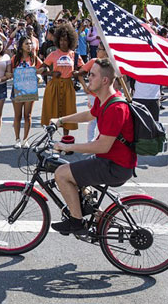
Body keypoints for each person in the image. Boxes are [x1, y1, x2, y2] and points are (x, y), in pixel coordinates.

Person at [49, 58, 136, 234]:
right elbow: (89, 115)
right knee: (72, 170)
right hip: (109, 160)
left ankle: (76, 222)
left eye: (92, 75)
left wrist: (68, 147)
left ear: (104, 80)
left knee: (62, 174)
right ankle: (98, 214)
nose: (88, 77)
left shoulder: (116, 108)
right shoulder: (104, 99)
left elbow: (102, 146)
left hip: (115, 166)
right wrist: (60, 120)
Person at [39, 24, 87, 136]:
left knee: (68, 112)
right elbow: (42, 69)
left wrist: (78, 73)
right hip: (53, 86)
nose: (62, 43)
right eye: (60, 40)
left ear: (70, 41)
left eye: (65, 40)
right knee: (51, 111)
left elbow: (84, 69)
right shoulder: (53, 54)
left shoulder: (75, 55)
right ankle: (49, 138)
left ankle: (66, 138)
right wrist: (51, 73)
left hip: (68, 86)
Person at [10, 37, 43, 148]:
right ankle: (17, 139)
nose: (29, 46)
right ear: (21, 46)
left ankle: (25, 139)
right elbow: (10, 72)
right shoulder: (15, 58)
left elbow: (43, 67)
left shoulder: (34, 58)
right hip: (18, 88)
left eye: (30, 44)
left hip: (30, 89)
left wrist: (37, 74)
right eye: (26, 44)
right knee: (17, 115)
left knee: (28, 115)